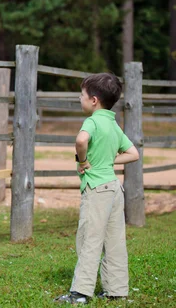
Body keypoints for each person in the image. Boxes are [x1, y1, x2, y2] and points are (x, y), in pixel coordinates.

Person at [55, 73, 139, 304]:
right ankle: (117, 290)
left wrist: (83, 161)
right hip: (114, 188)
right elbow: (133, 154)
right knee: (115, 241)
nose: (79, 99)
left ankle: (80, 292)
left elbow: (81, 141)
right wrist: (108, 161)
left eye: (81, 95)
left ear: (93, 100)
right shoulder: (112, 123)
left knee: (89, 239)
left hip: (96, 189)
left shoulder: (91, 121)